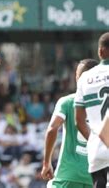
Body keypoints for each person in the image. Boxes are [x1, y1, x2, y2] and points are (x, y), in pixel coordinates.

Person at [41, 58, 99, 188]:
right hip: (94, 177)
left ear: (79, 78)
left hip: (68, 175)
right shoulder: (104, 106)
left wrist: (46, 163)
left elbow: (52, 129)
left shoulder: (67, 102)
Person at [75, 32, 109, 188]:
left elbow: (79, 121)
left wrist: (95, 140)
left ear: (100, 51)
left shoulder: (85, 78)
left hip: (98, 149)